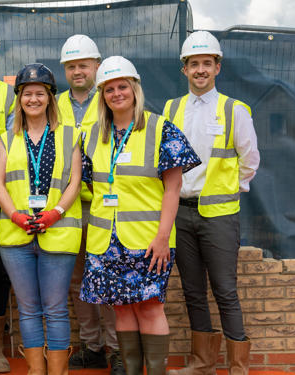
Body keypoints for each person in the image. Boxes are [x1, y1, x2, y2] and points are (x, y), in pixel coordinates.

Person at [80, 56, 200, 375]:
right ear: (102, 95)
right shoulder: (91, 134)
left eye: (123, 86)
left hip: (149, 241)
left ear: (135, 89)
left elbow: (173, 189)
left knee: (150, 308)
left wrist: (163, 238)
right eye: (109, 89)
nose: (116, 93)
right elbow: (87, 185)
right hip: (106, 241)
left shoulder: (161, 129)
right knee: (121, 310)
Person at [163, 31, 259, 375]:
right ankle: (202, 363)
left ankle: (238, 367)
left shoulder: (234, 110)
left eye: (207, 63)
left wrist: (231, 190)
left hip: (219, 216)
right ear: (184, 70)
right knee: (192, 291)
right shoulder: (171, 109)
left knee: (225, 291)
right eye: (193, 64)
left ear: (217, 67)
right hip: (181, 214)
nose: (200, 70)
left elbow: (250, 160)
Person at [0, 63, 82, 375]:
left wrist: (55, 213)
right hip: (16, 237)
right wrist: (15, 215)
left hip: (58, 234)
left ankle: (57, 371)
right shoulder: (7, 138)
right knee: (28, 310)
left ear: (50, 98)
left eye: (39, 93)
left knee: (56, 310)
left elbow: (74, 181)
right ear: (19, 99)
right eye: (27, 93)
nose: (33, 99)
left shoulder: (70, 135)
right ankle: (36, 370)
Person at [57, 34, 124, 375]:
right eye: (71, 66)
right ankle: (91, 345)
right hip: (68, 206)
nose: (78, 71)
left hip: (105, 206)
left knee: (108, 278)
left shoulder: (113, 99)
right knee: (77, 280)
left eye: (83, 65)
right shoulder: (55, 104)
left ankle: (115, 349)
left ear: (97, 66)